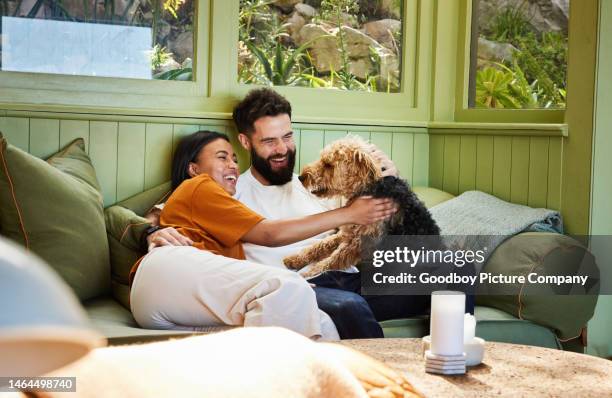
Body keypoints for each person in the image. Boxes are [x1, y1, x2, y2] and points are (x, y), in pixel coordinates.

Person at [129, 130, 396, 340]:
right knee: (290, 287)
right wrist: (149, 230)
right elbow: (268, 234)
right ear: (193, 169)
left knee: (322, 325)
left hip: (171, 304)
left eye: (234, 158)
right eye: (222, 157)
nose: (233, 165)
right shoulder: (199, 187)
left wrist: (387, 181)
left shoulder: (215, 209)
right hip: (169, 275)